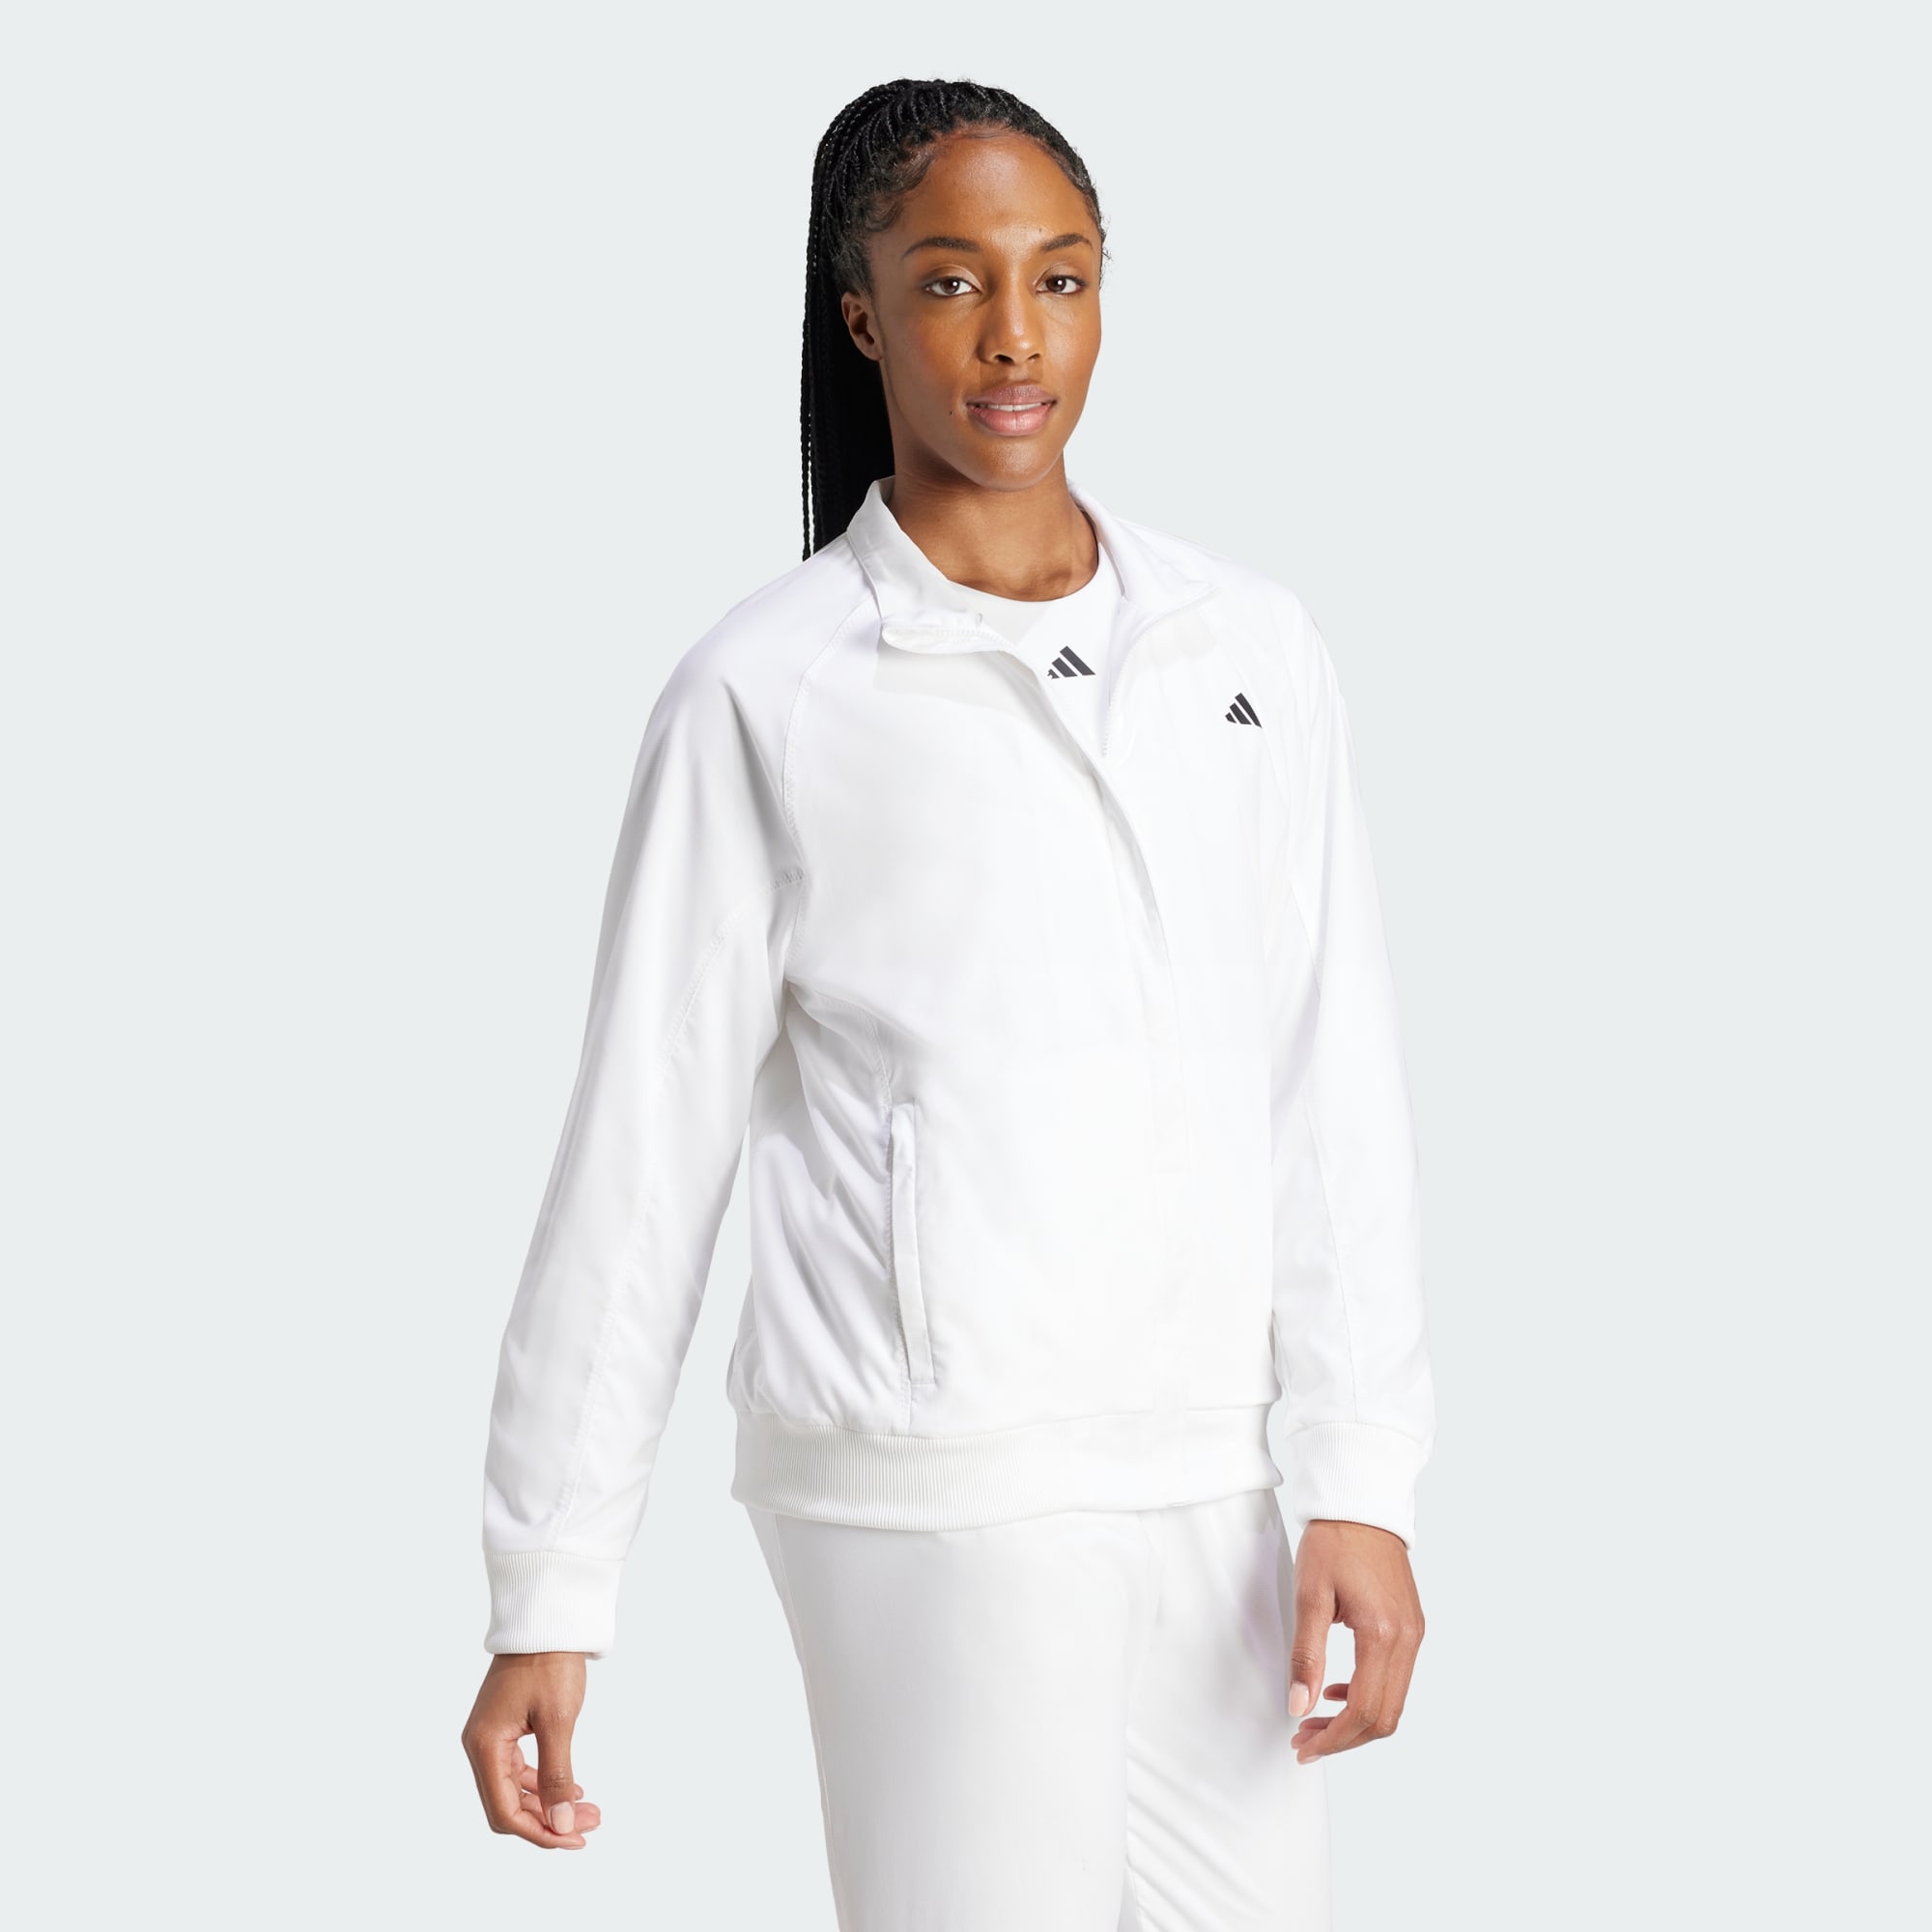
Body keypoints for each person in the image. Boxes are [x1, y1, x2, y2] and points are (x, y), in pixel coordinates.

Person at [461, 75, 1435, 1931]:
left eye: (1060, 278)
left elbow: (1333, 1079)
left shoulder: (1244, 649)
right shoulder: (773, 689)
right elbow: (643, 1151)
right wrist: (549, 1587)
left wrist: (1361, 1474)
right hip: (922, 1492)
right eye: (950, 281)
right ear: (860, 313)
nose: (1014, 336)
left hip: (1210, 1479)